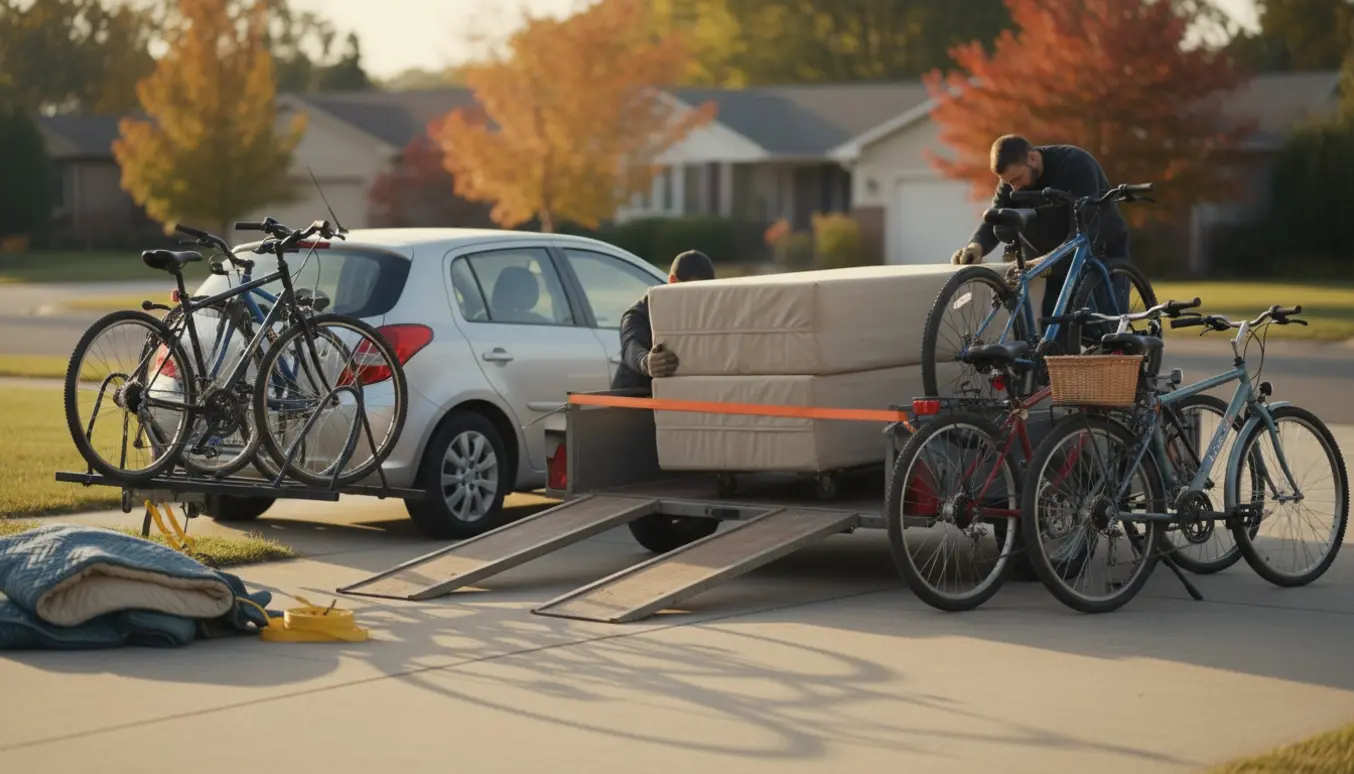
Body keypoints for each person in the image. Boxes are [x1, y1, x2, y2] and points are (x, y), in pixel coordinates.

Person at [951, 135, 1131, 349]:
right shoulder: (1012, 179)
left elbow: (1084, 227)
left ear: (1033, 159)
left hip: (1102, 250)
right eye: (1008, 183)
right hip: (1050, 265)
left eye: (1017, 179)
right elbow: (997, 217)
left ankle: (1123, 363)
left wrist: (1044, 263)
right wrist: (976, 247)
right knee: (1055, 337)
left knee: (1110, 332)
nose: (1014, 188)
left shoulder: (1075, 164)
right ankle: (1060, 368)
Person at [610, 249, 717, 391]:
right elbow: (631, 347)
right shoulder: (639, 313)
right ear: (672, 281)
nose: (698, 300)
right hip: (633, 398)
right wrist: (647, 362)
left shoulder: (706, 312)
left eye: (705, 292)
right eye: (693, 291)